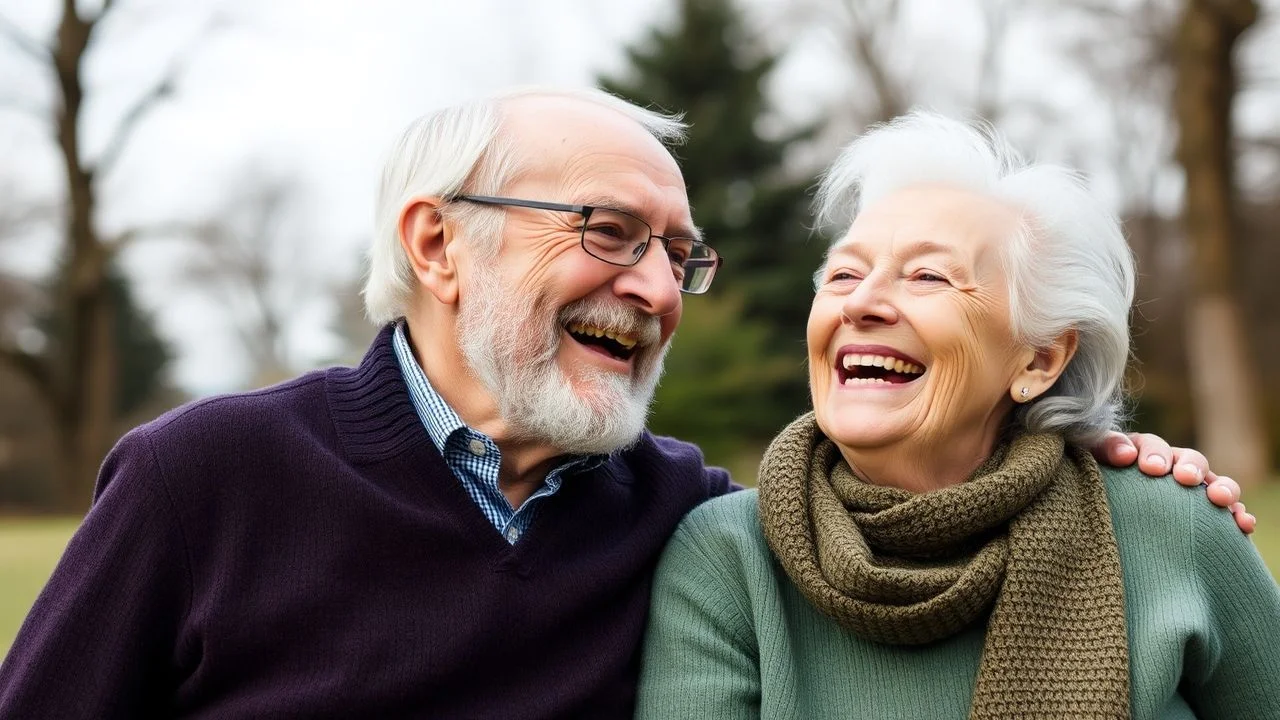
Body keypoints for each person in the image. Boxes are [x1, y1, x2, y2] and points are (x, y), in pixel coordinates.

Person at [0, 90, 1248, 719]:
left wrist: (1101, 456)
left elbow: (914, 491)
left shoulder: (689, 518)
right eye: (607, 231)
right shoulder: (205, 476)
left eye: (678, 253)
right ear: (436, 243)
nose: (655, 288)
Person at [635, 112, 1280, 719]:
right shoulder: (725, 557)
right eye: (842, 275)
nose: (862, 303)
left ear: (1040, 359)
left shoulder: (1168, 524)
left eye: (927, 277)